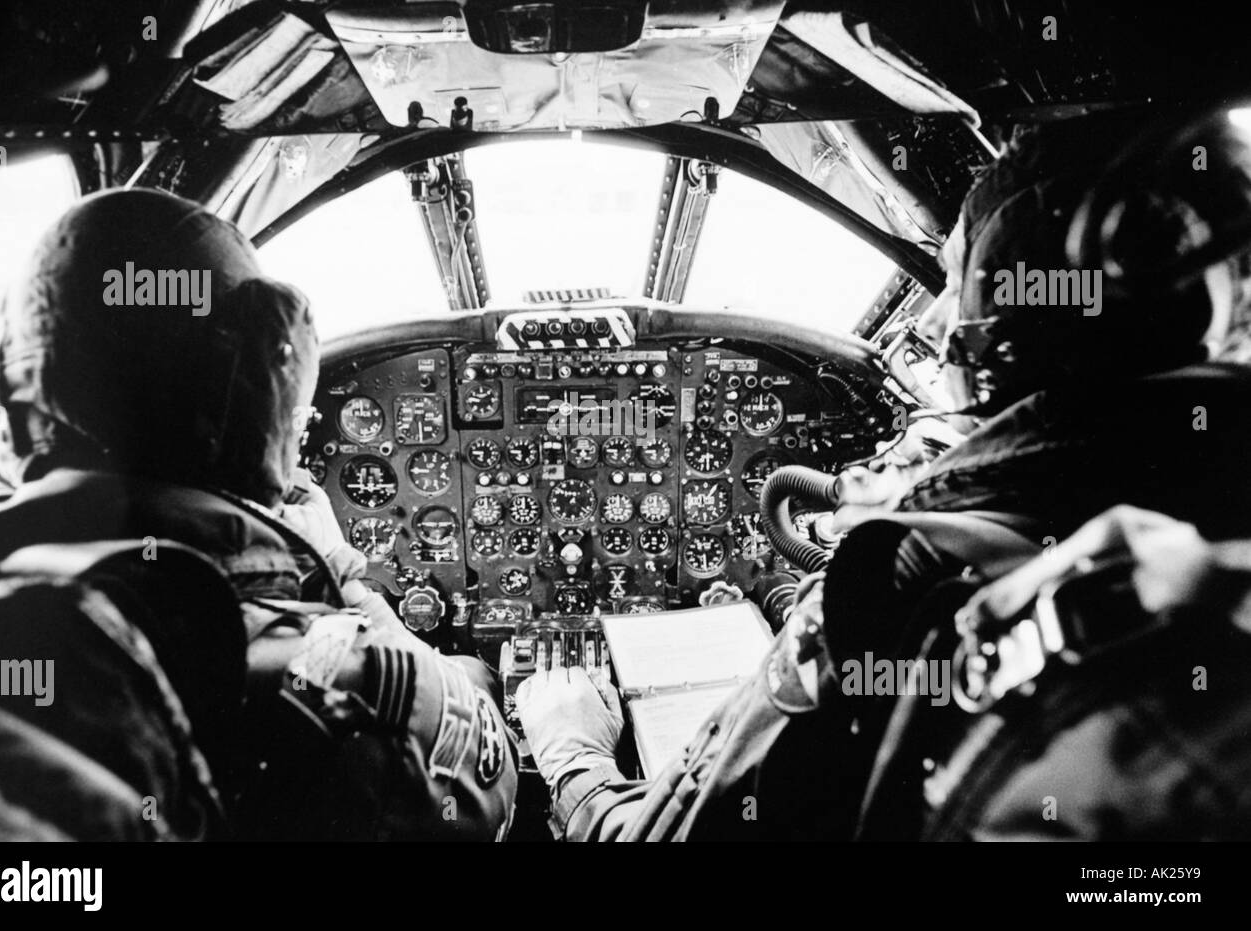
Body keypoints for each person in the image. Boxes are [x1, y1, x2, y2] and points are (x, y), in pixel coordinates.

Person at [517, 108, 1251, 840]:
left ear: (1014, 320)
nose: (932, 323)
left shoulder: (912, 572)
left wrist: (571, 751)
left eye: (956, 276)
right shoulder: (1199, 509)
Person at [0, 189, 516, 840]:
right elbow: (488, 777)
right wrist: (344, 578)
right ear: (259, 389)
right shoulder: (344, 694)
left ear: (13, 386)